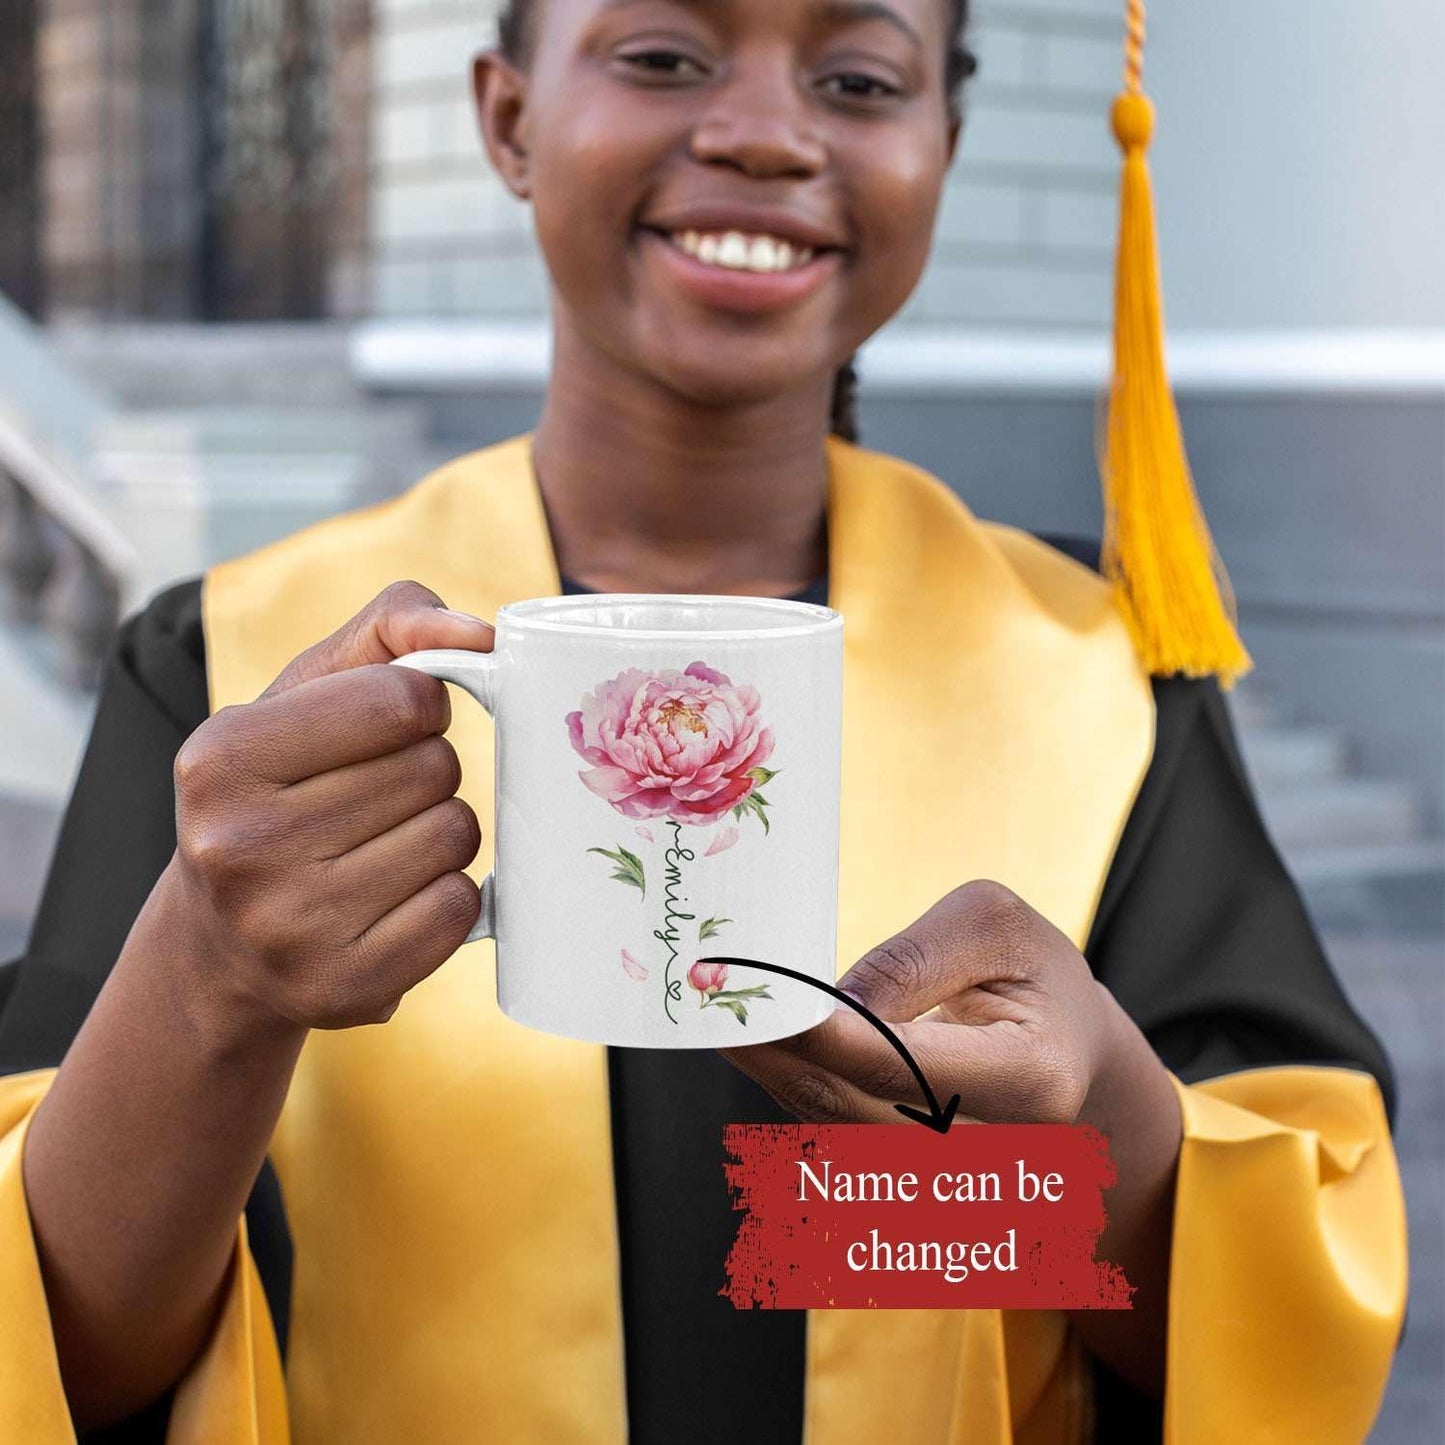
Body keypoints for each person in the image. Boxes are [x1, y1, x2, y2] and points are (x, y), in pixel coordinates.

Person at [0, 1, 1407, 1442]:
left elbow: (1281, 1347)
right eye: (663, 56)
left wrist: (1101, 1146)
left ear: (944, 144)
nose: (762, 132)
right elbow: (65, 1362)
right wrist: (208, 986)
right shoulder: (239, 673)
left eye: (857, 78)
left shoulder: (1095, 674)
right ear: (506, 118)